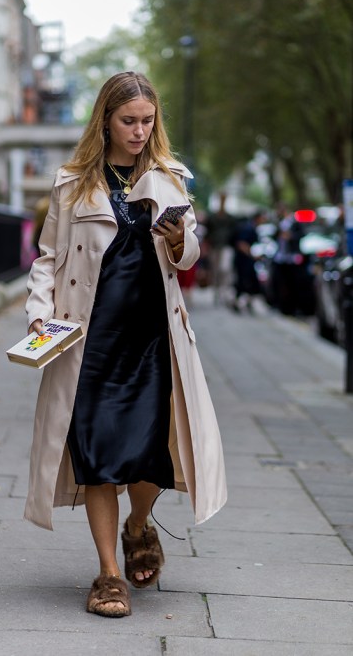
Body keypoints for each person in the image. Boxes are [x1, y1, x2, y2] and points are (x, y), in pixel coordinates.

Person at [24, 72, 227, 619]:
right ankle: (109, 574)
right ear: (106, 121)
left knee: (145, 456)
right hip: (89, 341)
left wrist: (182, 241)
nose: (140, 131)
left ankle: (139, 524)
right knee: (97, 457)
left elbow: (189, 256)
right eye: (129, 121)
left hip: (151, 341)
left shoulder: (171, 178)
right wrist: (40, 315)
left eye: (148, 121)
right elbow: (48, 257)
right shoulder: (72, 184)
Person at [204, 193, 237, 305]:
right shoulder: (212, 217)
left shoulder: (230, 218)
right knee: (215, 270)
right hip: (214, 247)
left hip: (226, 246)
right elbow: (208, 232)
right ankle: (216, 292)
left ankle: (223, 291)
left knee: (225, 269)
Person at [230, 210, 265, 312]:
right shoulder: (248, 228)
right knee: (243, 282)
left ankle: (246, 302)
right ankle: (238, 302)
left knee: (250, 282)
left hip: (247, 260)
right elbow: (241, 244)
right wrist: (252, 255)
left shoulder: (251, 227)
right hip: (243, 260)